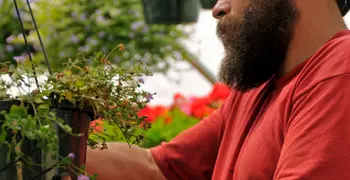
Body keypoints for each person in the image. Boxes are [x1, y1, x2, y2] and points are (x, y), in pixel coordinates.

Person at [84, 0, 350, 179]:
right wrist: (51, 144)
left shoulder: (339, 70)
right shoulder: (254, 92)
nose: (217, 8)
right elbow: (157, 168)